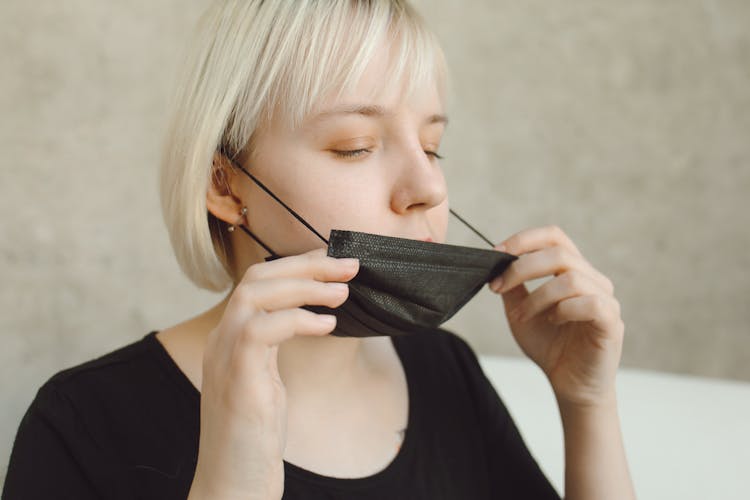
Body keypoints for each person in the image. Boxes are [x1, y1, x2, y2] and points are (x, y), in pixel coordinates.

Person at [2, 1, 636, 499]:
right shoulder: (82, 422)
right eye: (355, 146)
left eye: (433, 146)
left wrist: (588, 405)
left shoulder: (447, 373)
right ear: (224, 183)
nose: (428, 187)